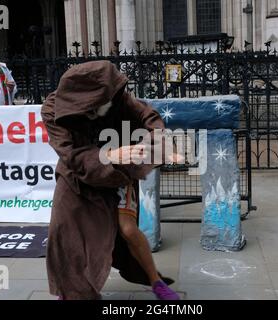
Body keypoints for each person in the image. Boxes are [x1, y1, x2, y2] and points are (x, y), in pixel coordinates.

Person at [41, 60, 181, 300]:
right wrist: (108, 155)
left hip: (118, 173)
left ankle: (156, 282)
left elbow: (150, 118)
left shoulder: (118, 97)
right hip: (77, 174)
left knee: (127, 230)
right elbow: (70, 155)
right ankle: (72, 291)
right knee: (63, 230)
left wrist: (161, 146)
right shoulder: (53, 108)